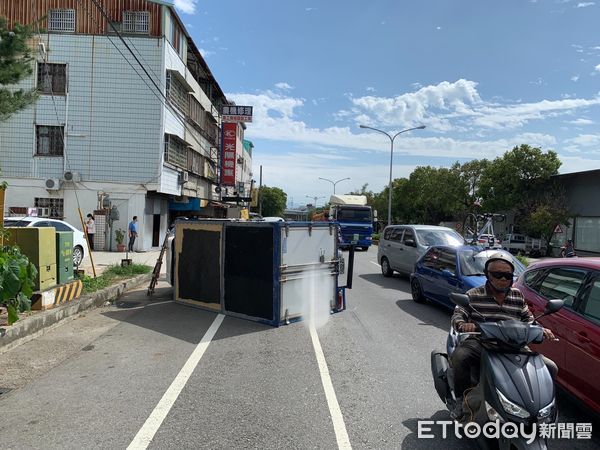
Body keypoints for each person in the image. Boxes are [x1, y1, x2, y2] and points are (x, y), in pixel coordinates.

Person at [449, 252, 557, 420]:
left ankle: (543, 406)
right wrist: (463, 324)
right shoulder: (473, 294)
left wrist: (541, 329)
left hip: (514, 344)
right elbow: (458, 314)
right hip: (482, 342)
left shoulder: (517, 296)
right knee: (460, 357)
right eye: (497, 274)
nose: (503, 279)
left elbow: (528, 319)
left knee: (550, 367)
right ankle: (460, 400)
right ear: (487, 275)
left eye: (507, 275)